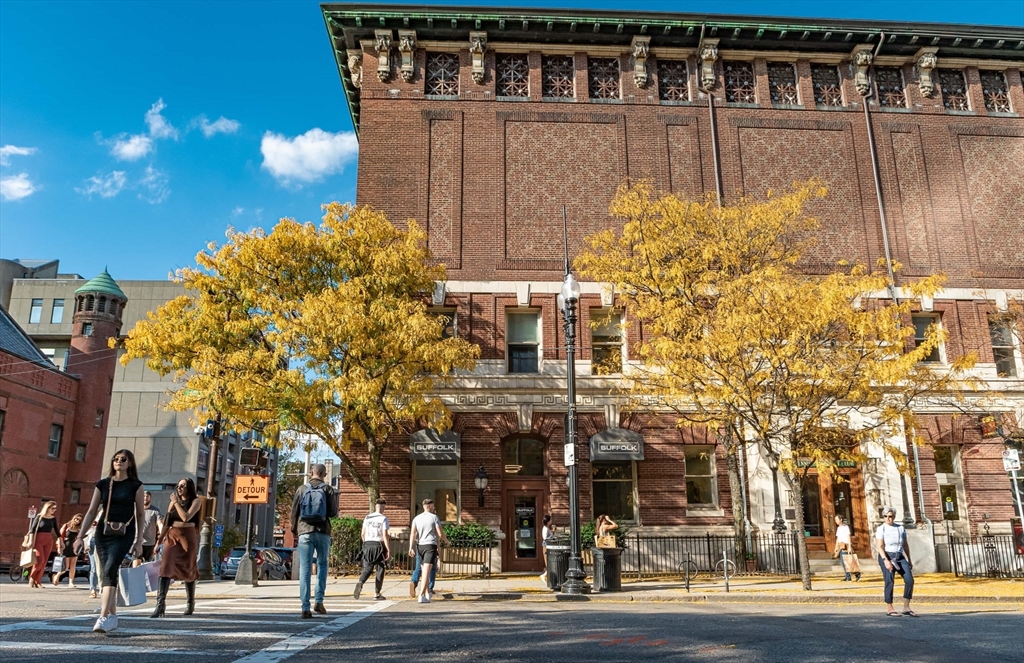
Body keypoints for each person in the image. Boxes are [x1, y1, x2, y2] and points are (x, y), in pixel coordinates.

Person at [73, 449, 145, 634]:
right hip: (103, 533)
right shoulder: (103, 484)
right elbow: (91, 511)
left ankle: (103, 616)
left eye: (123, 459)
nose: (119, 461)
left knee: (110, 568)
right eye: (116, 459)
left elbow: (140, 514)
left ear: (130, 463)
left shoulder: (136, 486)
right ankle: (112, 616)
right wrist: (80, 537)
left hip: (124, 534)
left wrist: (139, 541)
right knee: (107, 572)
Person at [150, 478, 204, 618]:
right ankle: (160, 605)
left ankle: (190, 603)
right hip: (173, 537)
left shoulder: (196, 501)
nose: (179, 488)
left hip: (188, 537)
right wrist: (159, 541)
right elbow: (167, 523)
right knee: (165, 569)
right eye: (178, 486)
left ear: (189, 488)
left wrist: (175, 503)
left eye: (183, 486)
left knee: (188, 568)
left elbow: (186, 517)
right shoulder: (173, 503)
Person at [290, 463, 338, 619]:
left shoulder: (301, 489)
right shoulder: (328, 489)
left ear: (311, 473)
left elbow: (294, 512)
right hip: (323, 532)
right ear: (324, 474)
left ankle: (305, 607)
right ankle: (319, 601)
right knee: (322, 565)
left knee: (305, 568)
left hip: (305, 531)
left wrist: (294, 530)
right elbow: (333, 512)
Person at [875, 506, 916, 617]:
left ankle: (906, 607)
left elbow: (905, 544)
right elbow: (880, 546)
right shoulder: (881, 529)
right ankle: (890, 607)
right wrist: (885, 560)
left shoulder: (900, 528)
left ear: (894, 517)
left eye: (890, 516)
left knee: (909, 580)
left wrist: (909, 560)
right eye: (885, 516)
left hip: (899, 556)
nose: (888, 518)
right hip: (887, 555)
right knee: (889, 581)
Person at [409, 498, 449, 604]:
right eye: (433, 506)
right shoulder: (434, 517)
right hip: (430, 545)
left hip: (420, 546)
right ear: (430, 506)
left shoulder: (416, 518)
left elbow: (413, 534)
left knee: (424, 570)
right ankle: (421, 594)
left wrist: (411, 547)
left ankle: (426, 593)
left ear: (423, 506)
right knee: (427, 571)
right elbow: (439, 533)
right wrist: (446, 541)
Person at [354, 499, 390, 601]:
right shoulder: (383, 519)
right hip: (378, 545)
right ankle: (377, 593)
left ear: (375, 506)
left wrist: (365, 544)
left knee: (368, 568)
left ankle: (360, 582)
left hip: (367, 544)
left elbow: (362, 534)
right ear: (383, 507)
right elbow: (385, 535)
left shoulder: (367, 517)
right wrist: (388, 549)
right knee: (380, 568)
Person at [22, 501, 58, 588]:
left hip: (48, 539)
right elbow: (32, 529)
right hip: (38, 539)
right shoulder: (39, 517)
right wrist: (31, 541)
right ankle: (32, 578)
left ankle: (38, 581)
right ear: (47, 508)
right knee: (39, 560)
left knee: (44, 562)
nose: (54, 510)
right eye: (52, 508)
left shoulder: (53, 518)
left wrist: (60, 540)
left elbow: (57, 530)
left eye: (55, 508)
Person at [53, 513, 84, 587]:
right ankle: (57, 575)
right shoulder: (66, 526)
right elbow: (60, 537)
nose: (77, 521)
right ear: (74, 518)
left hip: (74, 548)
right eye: (76, 519)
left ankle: (71, 582)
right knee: (66, 567)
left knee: (73, 566)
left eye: (79, 520)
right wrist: (59, 547)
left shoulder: (79, 528)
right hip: (65, 547)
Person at [833, 514, 860, 581]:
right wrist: (836, 547)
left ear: (841, 520)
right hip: (841, 546)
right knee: (843, 562)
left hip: (846, 545)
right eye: (835, 519)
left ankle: (857, 573)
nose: (836, 521)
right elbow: (838, 538)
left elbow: (848, 537)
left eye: (837, 519)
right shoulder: (838, 528)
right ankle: (848, 577)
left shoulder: (846, 527)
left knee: (848, 561)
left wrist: (849, 547)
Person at [139, 491, 163, 563]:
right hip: (137, 542)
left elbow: (160, 524)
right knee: (136, 563)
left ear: (150, 498)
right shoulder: (136, 509)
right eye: (144, 496)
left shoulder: (156, 511)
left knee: (147, 564)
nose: (145, 498)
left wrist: (162, 537)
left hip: (150, 543)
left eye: (147, 496)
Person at [83, 518, 101, 598]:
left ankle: (103, 588)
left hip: (106, 540)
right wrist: (92, 525)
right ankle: (93, 589)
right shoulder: (95, 516)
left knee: (105, 567)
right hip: (93, 540)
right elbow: (85, 531)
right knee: (94, 567)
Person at [540, 515, 556, 584]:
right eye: (550, 520)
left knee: (550, 562)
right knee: (548, 562)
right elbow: (545, 538)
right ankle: (544, 575)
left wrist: (553, 531)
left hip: (549, 546)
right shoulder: (545, 529)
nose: (551, 521)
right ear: (548, 521)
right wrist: (552, 535)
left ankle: (546, 576)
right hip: (546, 546)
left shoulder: (547, 528)